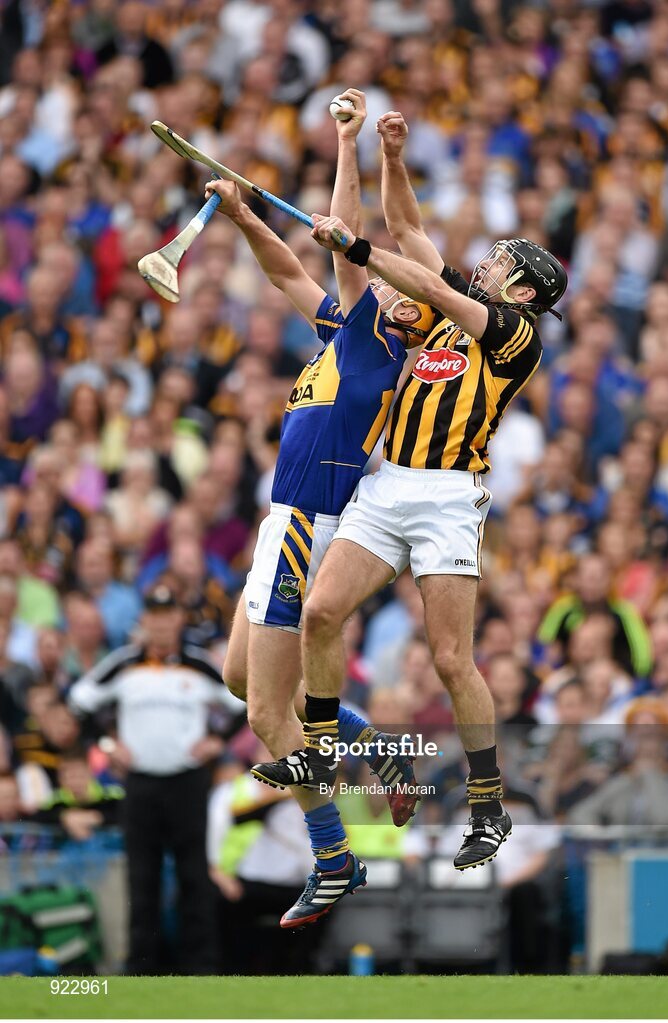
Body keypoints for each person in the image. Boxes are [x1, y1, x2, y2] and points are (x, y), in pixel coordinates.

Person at [255, 107, 567, 874]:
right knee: (321, 612)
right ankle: (319, 754)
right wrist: (390, 155)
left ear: (522, 291)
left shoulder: (515, 334)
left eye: (499, 264)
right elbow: (408, 227)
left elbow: (418, 271)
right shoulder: (439, 314)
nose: (485, 266)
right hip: (388, 484)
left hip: (449, 498)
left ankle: (486, 805)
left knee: (451, 657)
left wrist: (354, 249)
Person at [207, 91, 435, 928]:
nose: (392, 287)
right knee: (239, 677)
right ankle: (376, 749)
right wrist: (238, 213)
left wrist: (346, 146)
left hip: (307, 524)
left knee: (270, 714)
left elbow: (338, 239)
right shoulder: (345, 331)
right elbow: (286, 267)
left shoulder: (381, 342)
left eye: (412, 291)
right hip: (287, 523)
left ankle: (334, 857)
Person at [68, 585, 243, 975]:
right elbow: (80, 700)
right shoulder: (124, 663)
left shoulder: (198, 664)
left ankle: (201, 967)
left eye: (168, 615)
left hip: (187, 781)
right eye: (154, 616)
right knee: (141, 877)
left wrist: (217, 740)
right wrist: (108, 743)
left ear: (179, 619)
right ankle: (141, 967)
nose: (162, 624)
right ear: (144, 621)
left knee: (194, 874)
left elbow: (241, 702)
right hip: (142, 784)